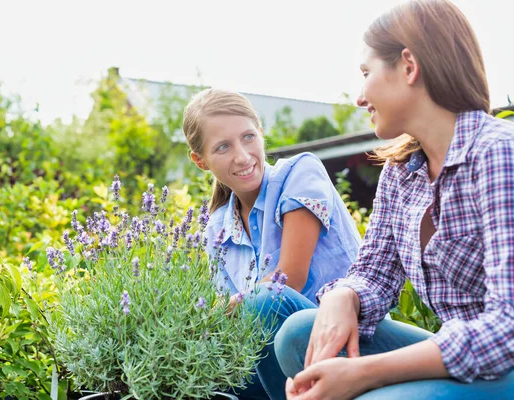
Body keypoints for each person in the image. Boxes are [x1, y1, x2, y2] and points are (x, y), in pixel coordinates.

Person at [274, 1, 514, 399]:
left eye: (366, 73)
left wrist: (368, 373)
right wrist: (343, 296)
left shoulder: (497, 153)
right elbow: (375, 272)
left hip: (505, 359)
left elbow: (508, 326)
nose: (359, 97)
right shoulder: (401, 172)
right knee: (299, 334)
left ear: (408, 66)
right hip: (464, 360)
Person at [182, 88, 361, 399]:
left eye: (248, 137)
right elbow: (227, 326)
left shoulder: (300, 173)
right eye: (223, 147)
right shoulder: (216, 229)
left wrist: (225, 311)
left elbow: (288, 278)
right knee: (195, 369)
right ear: (201, 161)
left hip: (346, 343)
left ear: (261, 133)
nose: (242, 155)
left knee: (266, 300)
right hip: (273, 366)